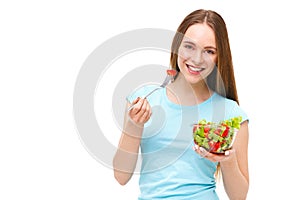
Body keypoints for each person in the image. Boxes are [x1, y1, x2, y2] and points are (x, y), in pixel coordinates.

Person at [113, 9, 249, 200]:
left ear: (220, 57)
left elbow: (239, 196)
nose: (197, 59)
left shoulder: (231, 113)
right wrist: (133, 126)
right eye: (189, 47)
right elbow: (121, 177)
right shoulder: (143, 101)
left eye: (209, 51)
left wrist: (228, 161)